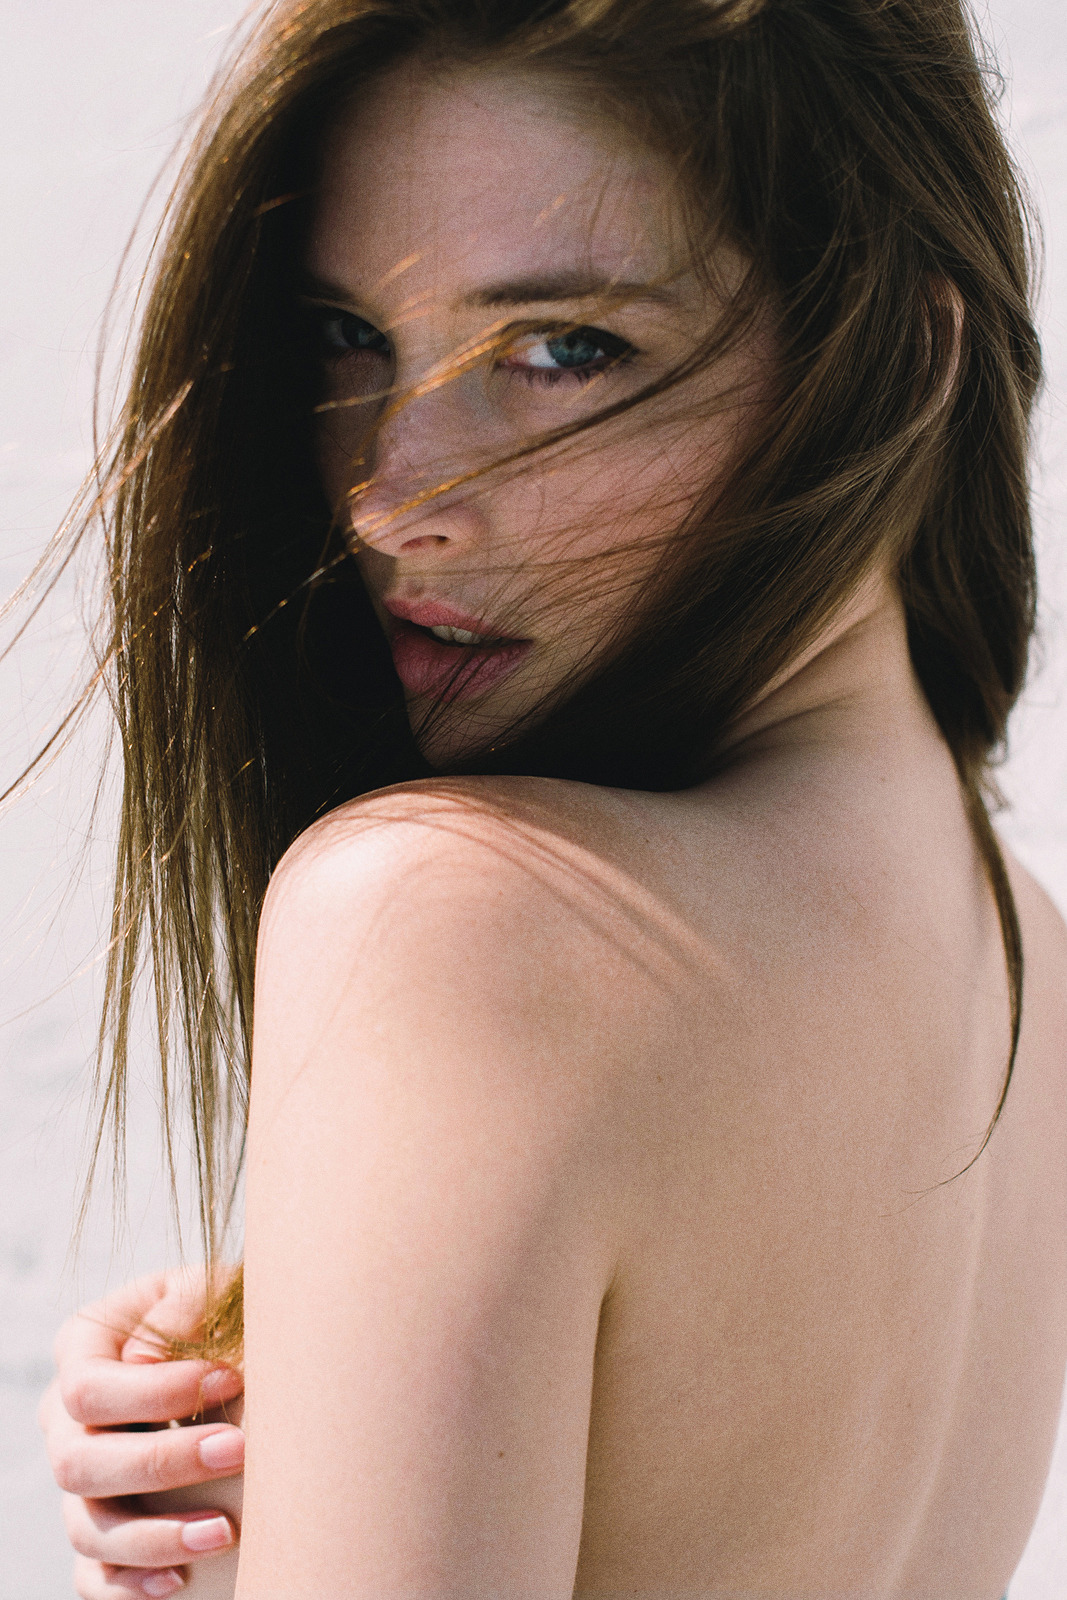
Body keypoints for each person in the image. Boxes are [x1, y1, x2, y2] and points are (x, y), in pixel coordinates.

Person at [34, 0, 1067, 1595]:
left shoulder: (456, 921)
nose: (392, 499)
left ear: (899, 357)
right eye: (347, 337)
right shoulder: (1029, 960)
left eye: (567, 350)